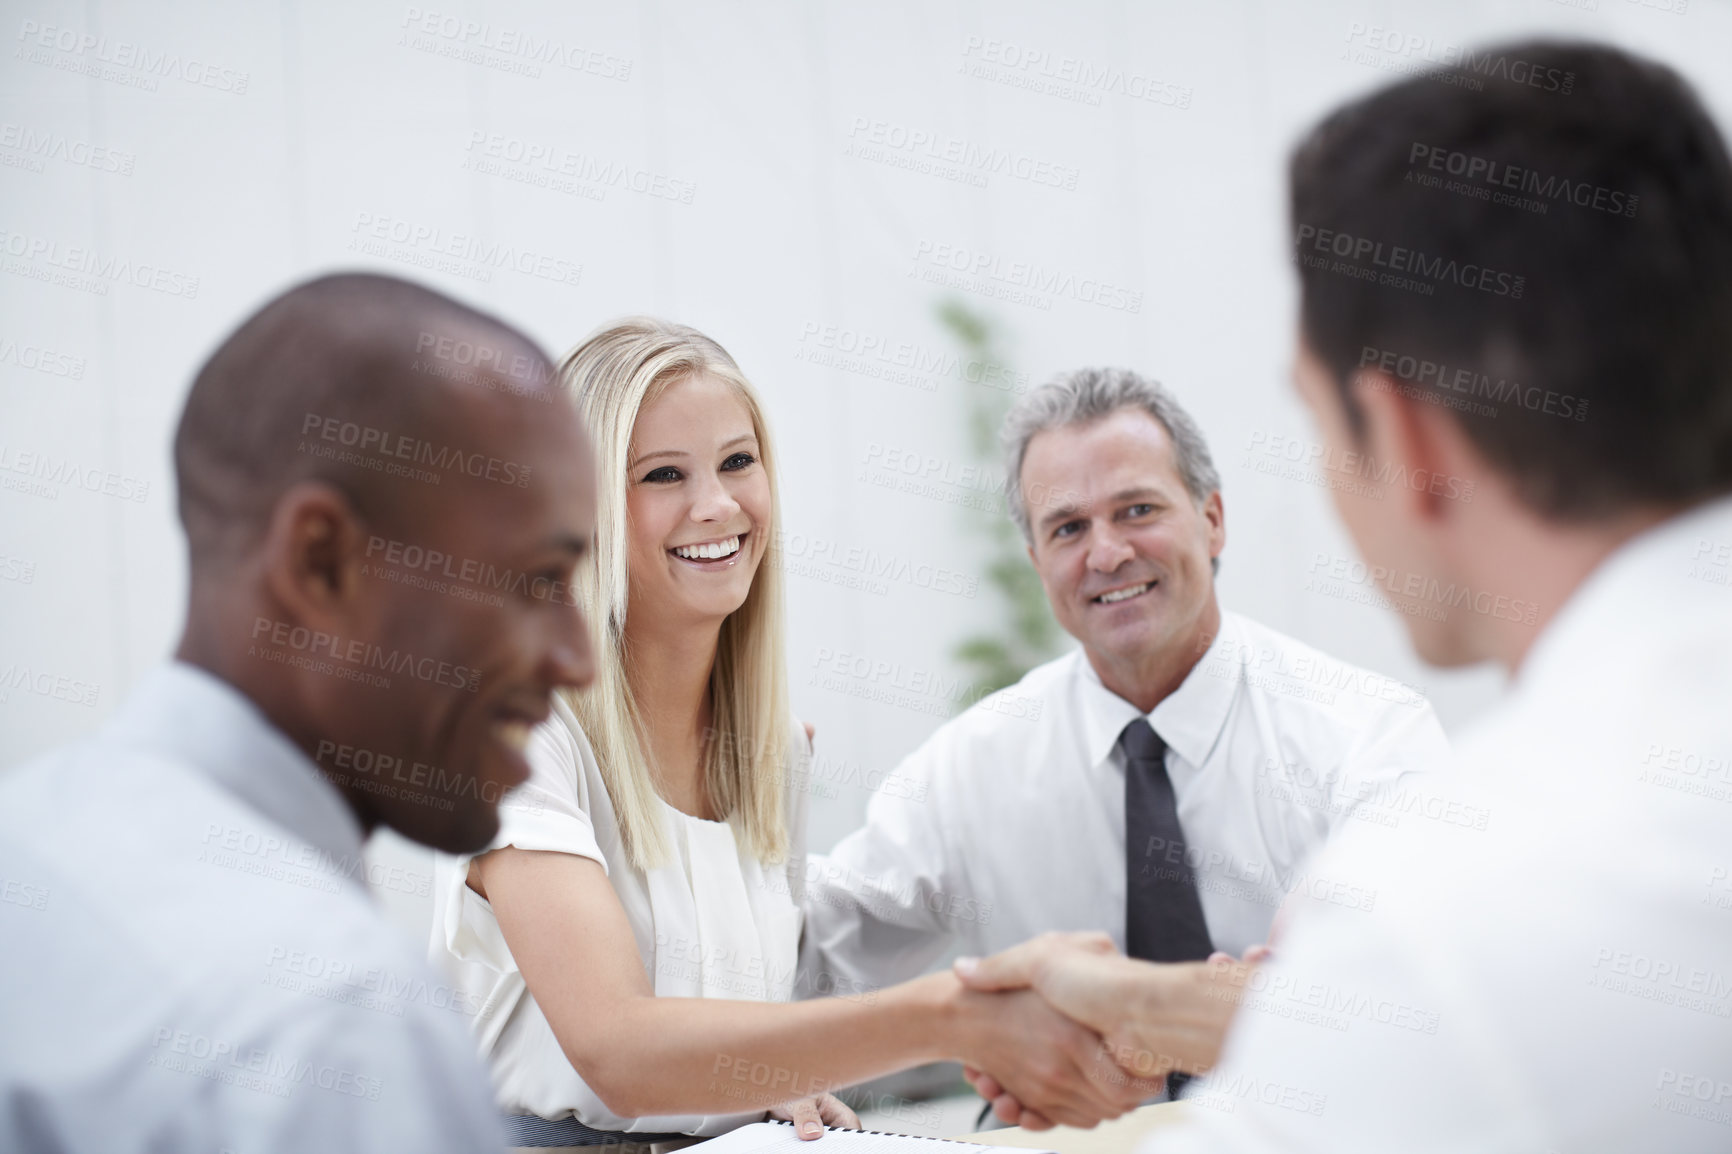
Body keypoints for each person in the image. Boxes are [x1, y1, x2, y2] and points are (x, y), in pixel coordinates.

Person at [954, 39, 1732, 1151]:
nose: (1103, 553)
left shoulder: (1443, 911)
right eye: (1064, 527)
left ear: (1405, 433)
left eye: (1317, 420)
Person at [429, 318, 1158, 1151]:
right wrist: (959, 1019)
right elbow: (619, 1051)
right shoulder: (517, 734)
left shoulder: (772, 752)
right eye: (663, 474)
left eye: (739, 462)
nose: (718, 505)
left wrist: (777, 1081)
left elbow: (740, 1023)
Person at [0, 273, 598, 1152]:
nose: (577, 659)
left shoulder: (33, 837)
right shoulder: (339, 1025)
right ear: (321, 563)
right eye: (539, 581)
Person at [801, 366, 1452, 1121]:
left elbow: (1400, 983)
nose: (1106, 554)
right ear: (1036, 560)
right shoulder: (973, 766)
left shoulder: (1368, 735)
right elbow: (820, 949)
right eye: (1067, 528)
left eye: (1137, 510)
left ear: (1212, 519)